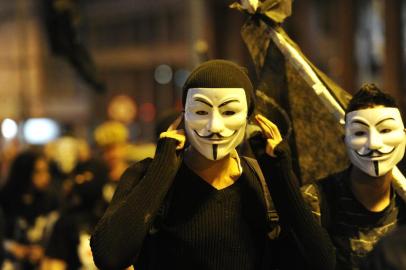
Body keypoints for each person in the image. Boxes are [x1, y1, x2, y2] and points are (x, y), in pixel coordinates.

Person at [90, 59, 335, 270]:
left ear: (249, 117)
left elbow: (320, 262)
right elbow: (110, 256)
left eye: (229, 112)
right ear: (183, 115)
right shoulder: (146, 175)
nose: (214, 127)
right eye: (201, 112)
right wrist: (162, 169)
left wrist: (280, 176)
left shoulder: (264, 182)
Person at [268, 83, 406, 269]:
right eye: (359, 133)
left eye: (386, 130)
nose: (373, 143)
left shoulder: (403, 202)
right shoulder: (314, 201)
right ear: (345, 141)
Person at [0, 150, 59, 269]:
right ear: (24, 173)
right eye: (38, 172)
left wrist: (45, 251)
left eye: (46, 171)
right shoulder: (5, 200)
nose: (46, 177)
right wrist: (14, 248)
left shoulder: (51, 200)